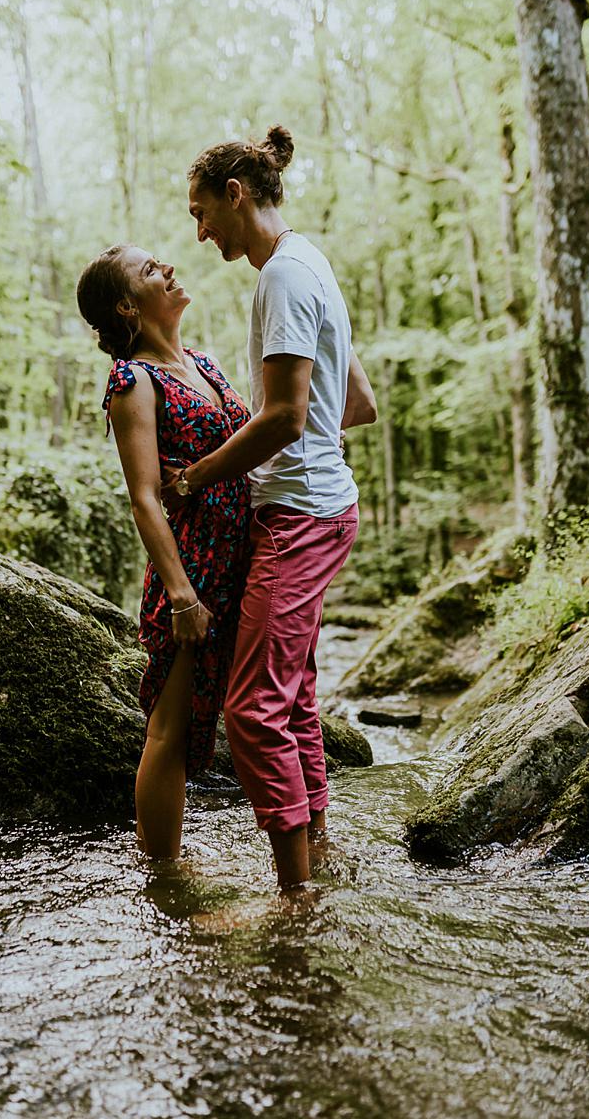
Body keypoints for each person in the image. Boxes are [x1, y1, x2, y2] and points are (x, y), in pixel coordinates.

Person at [170, 124, 378, 892]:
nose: (199, 234)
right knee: (290, 698)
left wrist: (194, 478)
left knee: (251, 710)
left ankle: (295, 900)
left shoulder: (284, 278)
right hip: (315, 506)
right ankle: (317, 849)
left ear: (237, 194)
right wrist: (301, 439)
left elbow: (288, 417)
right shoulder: (309, 260)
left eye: (203, 214)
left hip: (300, 517)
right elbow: (356, 401)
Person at [78, 244, 254, 862]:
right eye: (151, 270)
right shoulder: (133, 381)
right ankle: (165, 883)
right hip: (194, 572)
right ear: (128, 305)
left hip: (246, 561)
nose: (170, 269)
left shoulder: (205, 363)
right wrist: (181, 592)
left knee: (272, 708)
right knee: (170, 731)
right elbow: (145, 498)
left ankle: (309, 848)